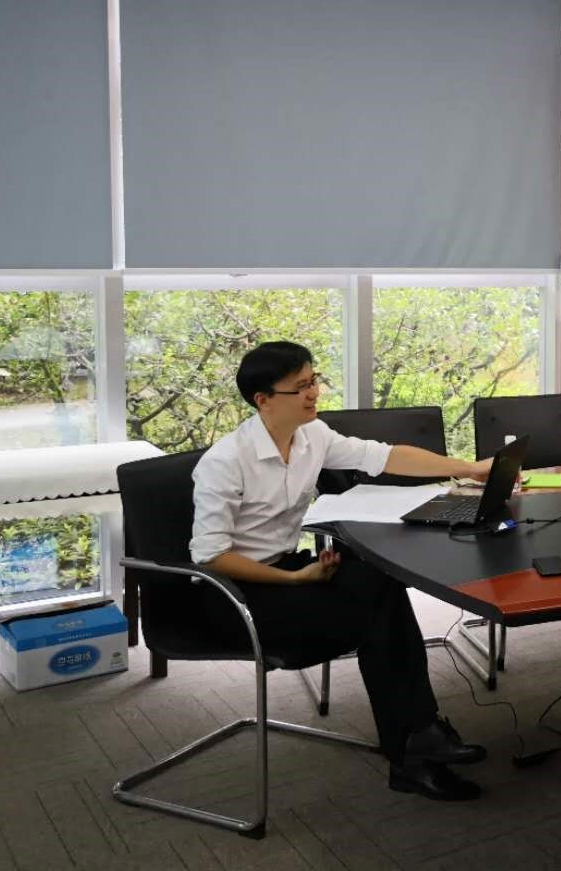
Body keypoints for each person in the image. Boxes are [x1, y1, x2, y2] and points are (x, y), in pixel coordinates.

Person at [190, 341, 493, 800]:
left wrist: (469, 468)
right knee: (377, 613)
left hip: (287, 570)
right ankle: (416, 743)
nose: (314, 393)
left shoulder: (312, 436)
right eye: (300, 387)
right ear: (263, 400)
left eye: (313, 381)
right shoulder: (225, 461)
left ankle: (417, 743)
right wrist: (295, 579)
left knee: (381, 582)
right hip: (233, 593)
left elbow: (386, 456)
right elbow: (211, 556)